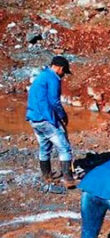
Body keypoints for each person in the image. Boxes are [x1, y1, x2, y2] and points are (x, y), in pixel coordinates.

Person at [25, 55, 75, 189]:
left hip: (33, 118)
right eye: (64, 72)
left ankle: (46, 175)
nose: (63, 75)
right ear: (60, 68)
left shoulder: (42, 76)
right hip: (45, 119)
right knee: (64, 148)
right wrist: (63, 116)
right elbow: (54, 101)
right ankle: (68, 179)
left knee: (44, 147)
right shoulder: (53, 78)